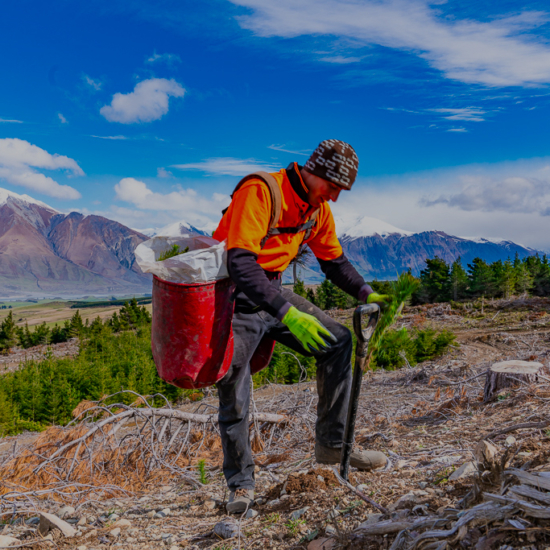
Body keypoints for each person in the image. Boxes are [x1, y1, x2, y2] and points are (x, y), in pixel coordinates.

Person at [213, 139, 388, 514]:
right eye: (334, 187)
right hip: (235, 295)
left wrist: (366, 292)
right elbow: (241, 264)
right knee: (233, 385)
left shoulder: (318, 209)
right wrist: (287, 313)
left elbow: (334, 262)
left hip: (272, 290)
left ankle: (332, 448)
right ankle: (240, 485)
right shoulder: (260, 191)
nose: (336, 198)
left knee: (338, 342)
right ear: (315, 173)